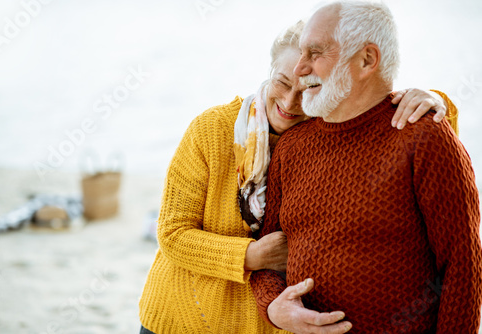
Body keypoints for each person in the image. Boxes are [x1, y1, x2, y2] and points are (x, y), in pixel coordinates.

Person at [138, 19, 459, 333]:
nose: (291, 102)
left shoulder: (330, 140)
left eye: (307, 88)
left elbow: (397, 138)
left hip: (267, 323)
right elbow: (172, 233)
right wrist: (252, 255)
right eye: (281, 82)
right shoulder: (211, 129)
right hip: (180, 316)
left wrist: (434, 103)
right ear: (269, 69)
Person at [250, 2, 481, 334]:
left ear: (367, 60)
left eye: (315, 53)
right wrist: (274, 306)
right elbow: (270, 259)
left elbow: (463, 266)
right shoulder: (292, 146)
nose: (301, 69)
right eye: (302, 53)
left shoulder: (424, 137)